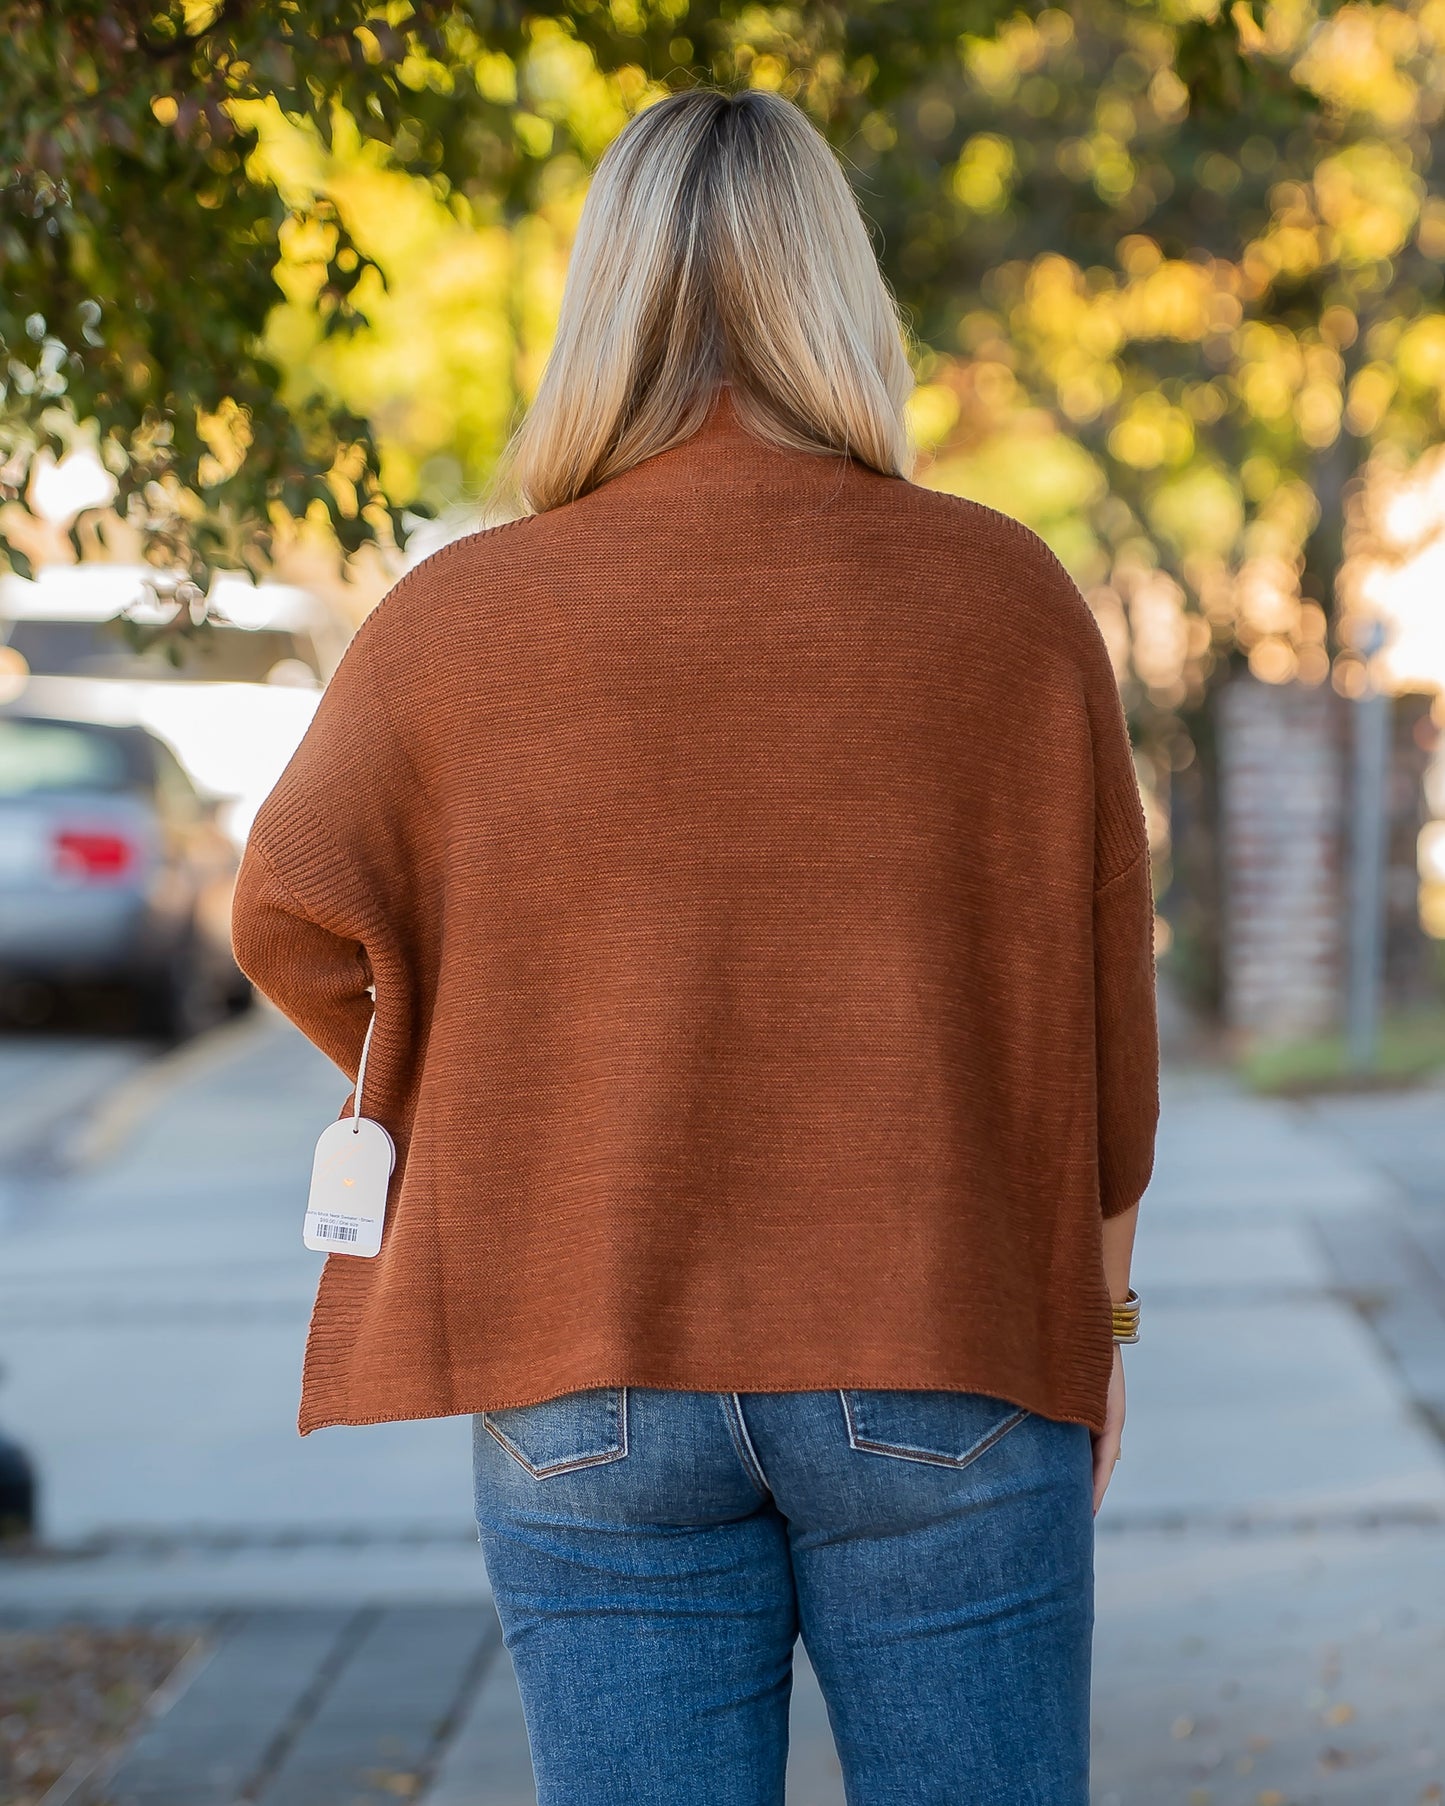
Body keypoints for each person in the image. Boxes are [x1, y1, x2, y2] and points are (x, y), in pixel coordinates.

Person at [231, 84, 1159, 1806]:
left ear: (601, 308)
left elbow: (290, 911)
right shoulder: (1007, 602)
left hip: (581, 1355)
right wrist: (1095, 1327)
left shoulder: (457, 625)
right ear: (840, 296)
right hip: (940, 1341)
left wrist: (493, 1045)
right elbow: (1098, 1031)